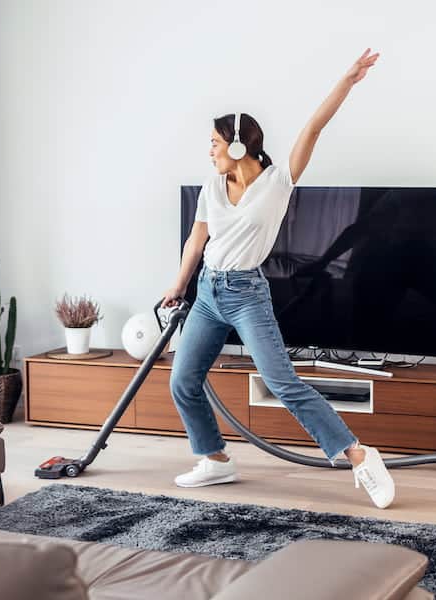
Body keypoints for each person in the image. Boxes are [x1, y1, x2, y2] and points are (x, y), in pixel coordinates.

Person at [161, 49, 395, 509]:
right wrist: (177, 284)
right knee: (183, 380)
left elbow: (312, 128)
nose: (208, 151)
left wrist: (346, 81)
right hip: (208, 291)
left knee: (282, 381)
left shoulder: (278, 181)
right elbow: (196, 242)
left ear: (234, 145)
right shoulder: (211, 187)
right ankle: (215, 459)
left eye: (213, 142)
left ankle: (360, 455)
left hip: (247, 293)